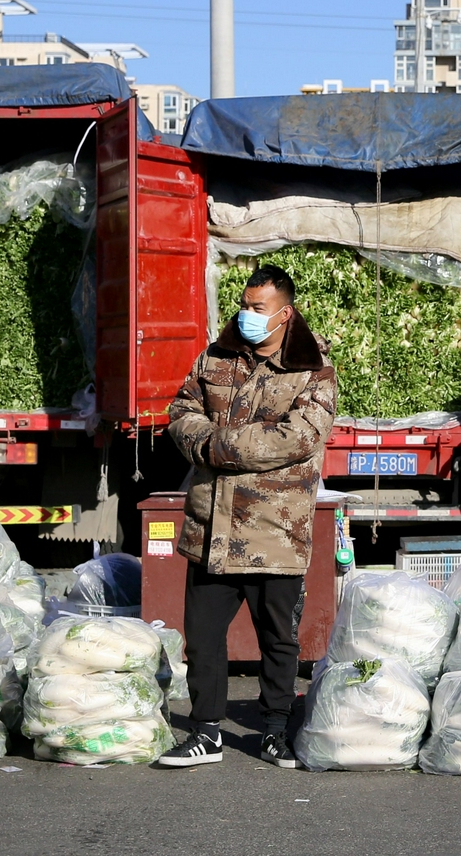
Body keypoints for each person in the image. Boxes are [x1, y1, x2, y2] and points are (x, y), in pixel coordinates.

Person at [157, 264, 337, 770]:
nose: (247, 315)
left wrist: (219, 446)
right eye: (244, 305)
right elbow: (182, 411)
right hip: (211, 528)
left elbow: (300, 437)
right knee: (203, 638)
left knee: (278, 639)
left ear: (285, 313)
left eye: (258, 308)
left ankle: (275, 731)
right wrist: (207, 441)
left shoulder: (313, 368)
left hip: (274, 531)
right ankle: (206, 733)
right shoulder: (216, 355)